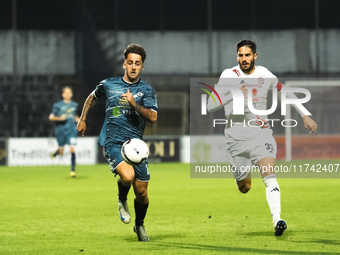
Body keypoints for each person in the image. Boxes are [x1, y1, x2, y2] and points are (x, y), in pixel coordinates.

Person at [207, 40, 317, 236]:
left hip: (261, 134)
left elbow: (286, 92)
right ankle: (240, 178)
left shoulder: (265, 74)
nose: (244, 59)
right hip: (236, 138)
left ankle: (277, 219)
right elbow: (210, 105)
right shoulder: (228, 75)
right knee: (245, 187)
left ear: (255, 56)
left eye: (247, 55)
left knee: (270, 177)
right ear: (237, 57)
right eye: (240, 55)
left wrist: (304, 114)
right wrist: (232, 95)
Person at [77, 44, 157, 242]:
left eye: (137, 64)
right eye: (130, 62)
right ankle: (122, 199)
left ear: (142, 67)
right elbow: (91, 97)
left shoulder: (146, 90)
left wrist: (134, 104)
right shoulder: (108, 84)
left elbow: (153, 117)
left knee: (142, 192)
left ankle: (139, 225)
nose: (133, 67)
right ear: (124, 64)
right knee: (128, 176)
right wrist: (82, 119)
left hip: (136, 147)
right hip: (113, 142)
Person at [49, 86, 80, 177]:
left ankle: (73, 171)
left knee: (72, 149)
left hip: (71, 130)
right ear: (63, 94)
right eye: (66, 93)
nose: (68, 94)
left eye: (69, 92)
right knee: (62, 153)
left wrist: (80, 120)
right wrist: (59, 118)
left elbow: (74, 116)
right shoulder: (57, 105)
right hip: (61, 130)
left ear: (72, 94)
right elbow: (51, 117)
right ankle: (57, 151)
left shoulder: (74, 105)